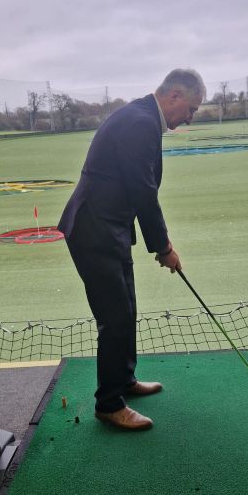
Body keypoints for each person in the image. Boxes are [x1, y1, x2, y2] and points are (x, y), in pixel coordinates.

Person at [58, 69, 205, 430]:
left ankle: (123, 381)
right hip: (95, 231)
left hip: (111, 229)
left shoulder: (142, 116)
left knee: (127, 308)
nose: (190, 117)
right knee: (116, 317)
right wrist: (164, 247)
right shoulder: (140, 122)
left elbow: (136, 189)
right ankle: (109, 404)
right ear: (173, 95)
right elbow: (143, 192)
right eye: (191, 108)